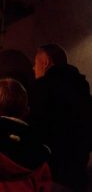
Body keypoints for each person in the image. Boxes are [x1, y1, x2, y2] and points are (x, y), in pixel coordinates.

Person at [30, 44, 92, 191]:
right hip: (79, 169)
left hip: (53, 174)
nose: (33, 68)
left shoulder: (41, 89)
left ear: (45, 62)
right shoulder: (81, 86)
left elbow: (36, 131)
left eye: (35, 63)